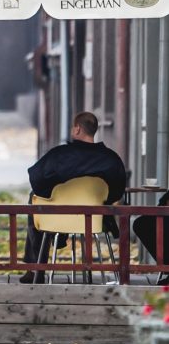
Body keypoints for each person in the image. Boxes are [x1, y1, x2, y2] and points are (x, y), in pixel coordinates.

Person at [20, 111, 127, 283]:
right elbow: (117, 192)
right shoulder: (111, 159)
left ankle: (35, 269)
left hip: (56, 219)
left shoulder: (59, 155)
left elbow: (37, 182)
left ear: (77, 129)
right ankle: (117, 275)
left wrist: (57, 193)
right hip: (93, 220)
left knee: (34, 200)